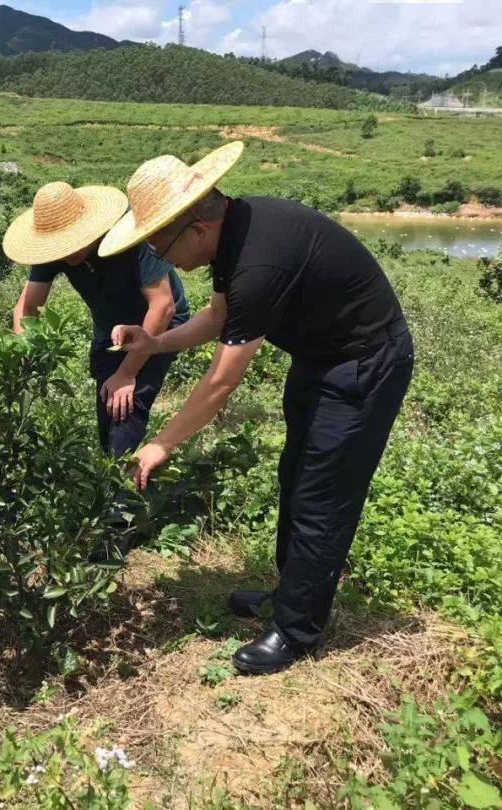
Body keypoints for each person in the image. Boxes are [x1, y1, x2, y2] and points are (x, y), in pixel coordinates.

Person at [99, 142, 414, 674]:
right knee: (297, 479)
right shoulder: (236, 233)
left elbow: (222, 381)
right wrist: (151, 344)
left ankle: (296, 633)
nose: (162, 257)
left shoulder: (257, 261)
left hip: (364, 366)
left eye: (161, 242)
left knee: (323, 496)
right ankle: (290, 594)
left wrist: (160, 444)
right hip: (321, 361)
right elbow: (217, 320)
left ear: (194, 228)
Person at [4, 180, 190, 459]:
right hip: (110, 327)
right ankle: (113, 475)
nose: (67, 253)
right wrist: (23, 352)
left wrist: (127, 374)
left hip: (160, 325)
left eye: (73, 242)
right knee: (108, 406)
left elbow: (162, 307)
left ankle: (122, 494)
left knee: (127, 405)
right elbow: (26, 307)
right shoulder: (54, 248)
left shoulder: (129, 234)